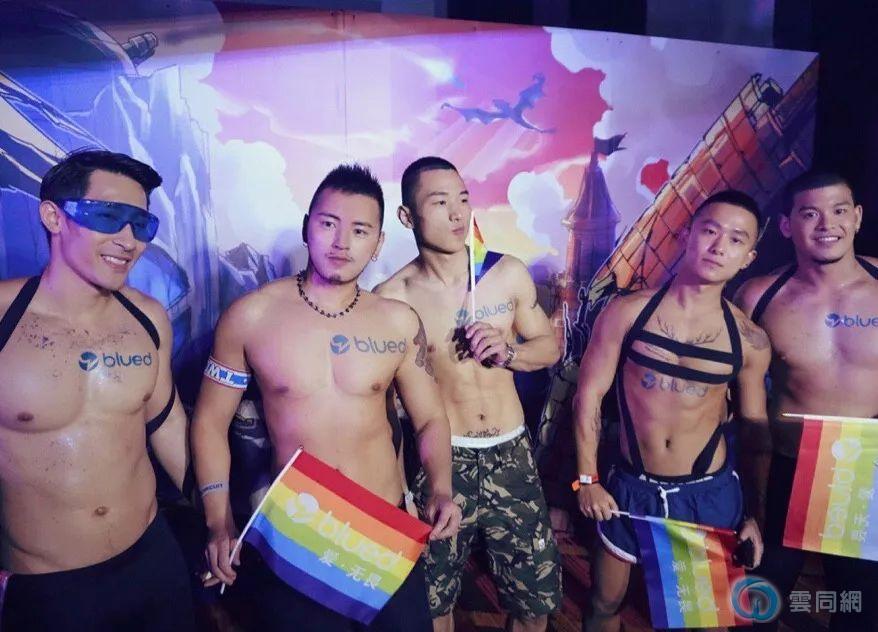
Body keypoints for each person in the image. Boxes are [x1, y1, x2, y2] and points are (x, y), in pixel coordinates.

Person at [192, 163, 460, 632]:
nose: (341, 242)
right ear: (306, 227)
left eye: (359, 230)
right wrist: (219, 520)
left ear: (378, 243)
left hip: (383, 529)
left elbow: (430, 419)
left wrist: (440, 487)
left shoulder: (397, 321)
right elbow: (210, 423)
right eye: (328, 224)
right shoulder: (251, 317)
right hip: (298, 535)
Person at [0, 149, 194, 630]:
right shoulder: (5, 317)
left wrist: (215, 514)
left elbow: (166, 421)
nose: (128, 240)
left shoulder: (147, 317)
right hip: (50, 587)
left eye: (141, 224)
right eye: (107, 216)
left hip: (153, 561)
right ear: (53, 217)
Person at [375, 156, 562, 632]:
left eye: (463, 199)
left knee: (534, 602)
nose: (458, 213)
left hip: (511, 454)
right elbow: (384, 409)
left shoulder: (506, 274)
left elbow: (549, 348)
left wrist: (510, 352)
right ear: (407, 217)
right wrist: (397, 489)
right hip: (442, 459)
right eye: (440, 202)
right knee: (434, 601)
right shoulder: (392, 298)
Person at [574, 190, 771, 632]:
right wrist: (586, 480)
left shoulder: (749, 339)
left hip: (705, 494)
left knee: (702, 619)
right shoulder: (627, 312)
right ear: (687, 234)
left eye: (736, 240)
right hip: (630, 487)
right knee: (604, 602)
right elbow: (588, 396)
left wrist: (756, 516)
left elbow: (756, 434)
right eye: (710, 231)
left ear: (748, 258)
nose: (719, 246)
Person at [735, 170, 878, 631]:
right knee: (759, 602)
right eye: (810, 213)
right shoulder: (758, 296)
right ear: (786, 225)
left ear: (857, 217)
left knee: (856, 606)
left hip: (864, 469)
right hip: (787, 465)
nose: (827, 224)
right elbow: (733, 395)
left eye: (839, 210)